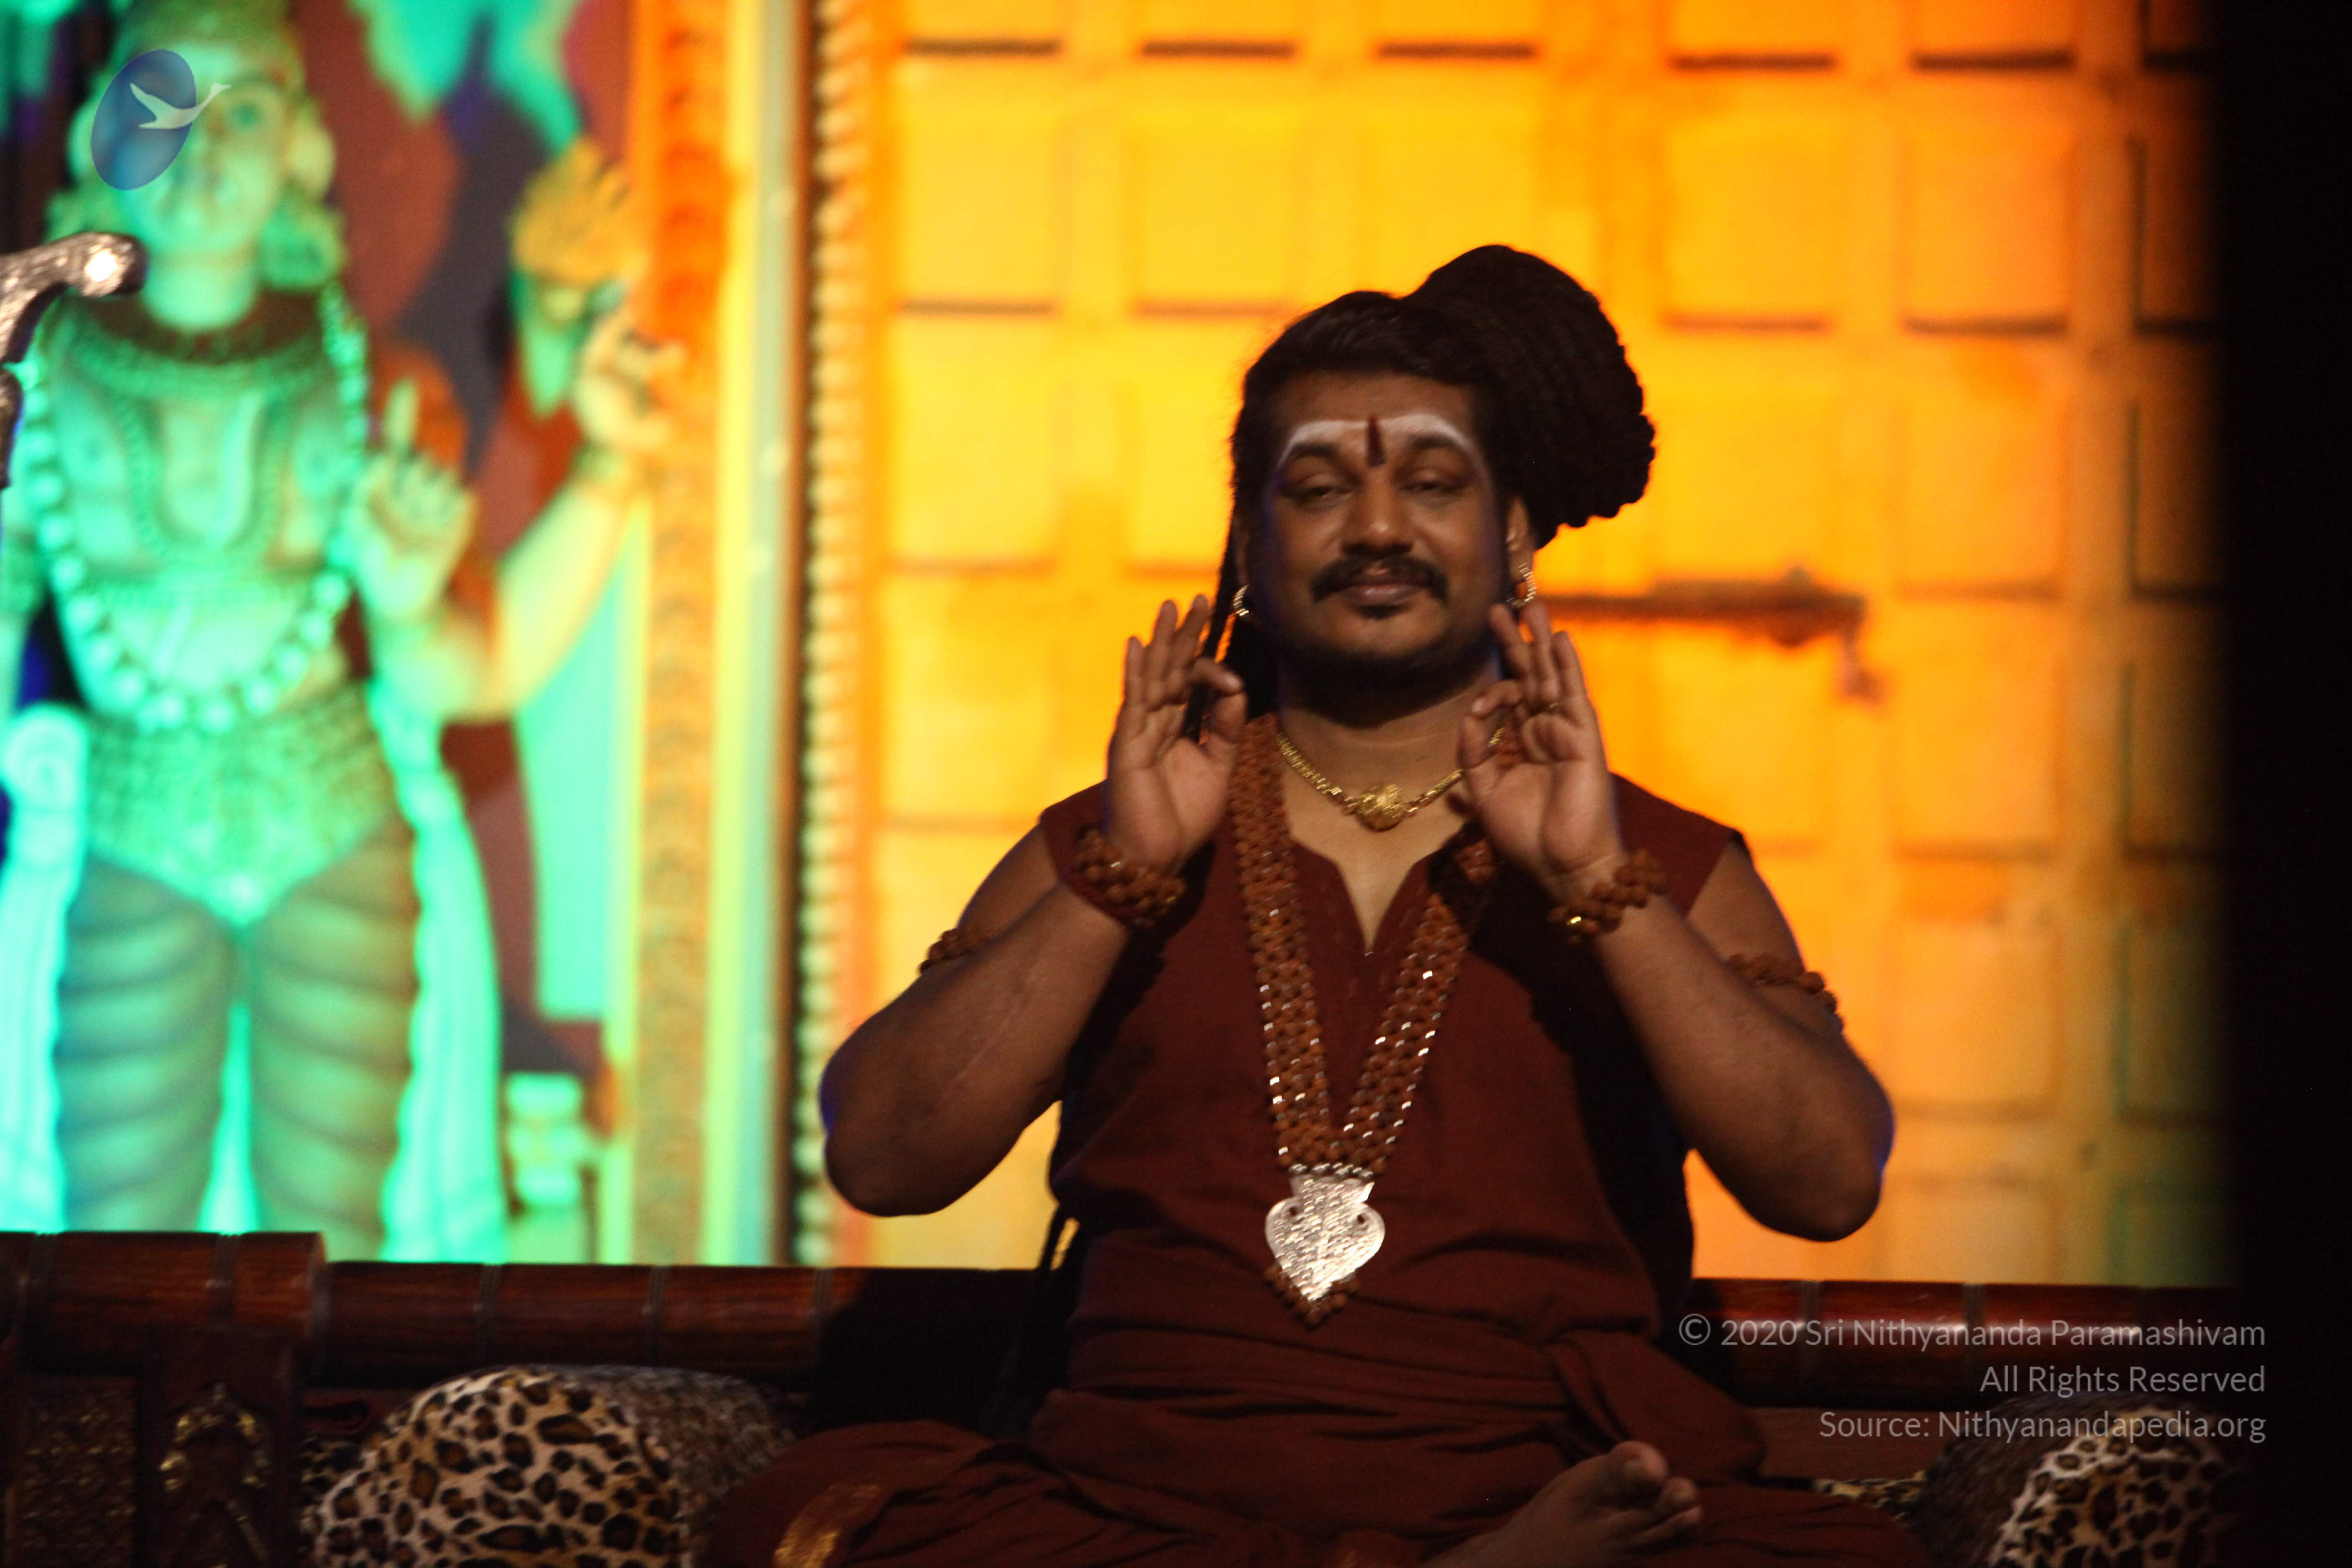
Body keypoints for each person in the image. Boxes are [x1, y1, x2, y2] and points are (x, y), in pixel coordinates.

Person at [714, 247, 1925, 1568]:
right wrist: (1122, 874)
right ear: (1249, 540)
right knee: (801, 1528)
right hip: (1145, 1508)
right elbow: (884, 1160)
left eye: (1433, 484)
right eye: (1319, 488)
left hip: (1537, 1480)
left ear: (1514, 533)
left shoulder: (1657, 860)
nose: (1379, 530)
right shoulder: (1117, 837)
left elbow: (1827, 1184)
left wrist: (1597, 886)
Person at [0, 0, 673, 1258]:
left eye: (243, 110)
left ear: (303, 144)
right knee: (113, 1259)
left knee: (338, 1256)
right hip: (128, 837)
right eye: (161, 105)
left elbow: (473, 671)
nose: (201, 148)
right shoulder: (37, 389)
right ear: (101, 134)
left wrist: (600, 475)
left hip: (337, 833)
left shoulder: (373, 384)